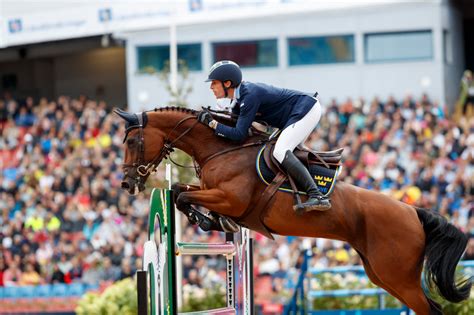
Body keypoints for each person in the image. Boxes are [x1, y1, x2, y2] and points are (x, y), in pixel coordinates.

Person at [197, 60, 330, 212]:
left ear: (227, 83)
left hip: (306, 108)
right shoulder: (239, 99)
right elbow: (236, 128)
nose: (211, 87)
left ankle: (318, 196)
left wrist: (212, 124)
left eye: (214, 83)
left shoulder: (249, 95)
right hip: (295, 115)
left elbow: (238, 134)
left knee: (280, 151)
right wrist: (212, 119)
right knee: (279, 150)